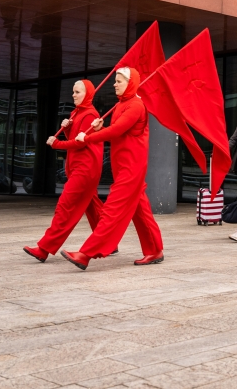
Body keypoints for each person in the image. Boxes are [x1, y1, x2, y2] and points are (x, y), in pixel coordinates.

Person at [60, 68, 164, 270]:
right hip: (124, 168)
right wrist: (99, 128)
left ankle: (86, 254)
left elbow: (117, 130)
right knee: (141, 211)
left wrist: (88, 137)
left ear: (130, 83)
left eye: (119, 81)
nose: (114, 84)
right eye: (115, 80)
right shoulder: (122, 105)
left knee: (111, 210)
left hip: (131, 170)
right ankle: (155, 250)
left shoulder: (135, 105)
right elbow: (119, 132)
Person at [24, 80, 106, 262]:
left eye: (77, 92)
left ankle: (44, 248)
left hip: (84, 170)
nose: (73, 95)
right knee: (94, 209)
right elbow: (76, 138)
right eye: (73, 92)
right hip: (80, 169)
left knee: (65, 207)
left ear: (87, 94)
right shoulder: (78, 114)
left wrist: (57, 143)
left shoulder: (89, 115)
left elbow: (80, 143)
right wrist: (67, 130)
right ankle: (108, 242)